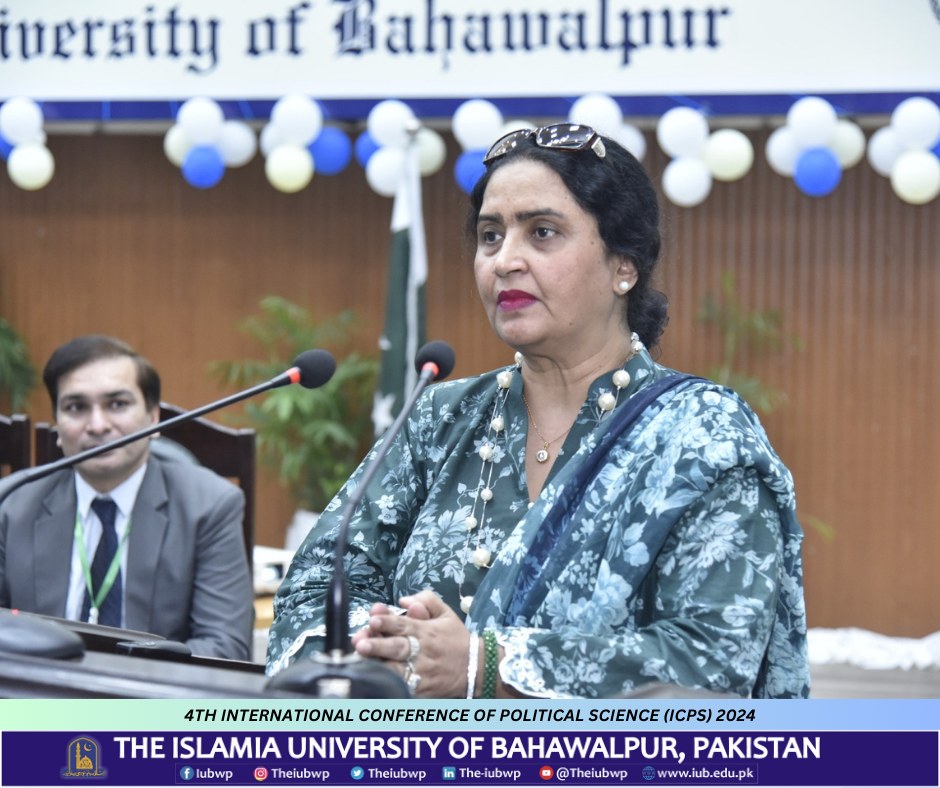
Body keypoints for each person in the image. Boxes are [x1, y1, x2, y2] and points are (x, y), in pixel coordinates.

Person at [267, 124, 809, 698]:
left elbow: (714, 659)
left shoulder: (703, 436)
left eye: (542, 232)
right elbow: (313, 589)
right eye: (490, 236)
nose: (505, 261)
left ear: (624, 265)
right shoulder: (440, 419)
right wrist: (394, 651)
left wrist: (487, 666)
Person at [0, 335, 253, 660]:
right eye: (76, 407)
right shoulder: (13, 504)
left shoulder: (210, 506)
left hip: (153, 691)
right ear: (58, 426)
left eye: (117, 404)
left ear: (153, 418)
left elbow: (225, 650)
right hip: (41, 687)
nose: (97, 425)